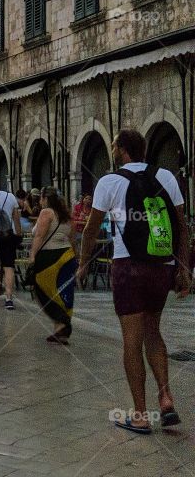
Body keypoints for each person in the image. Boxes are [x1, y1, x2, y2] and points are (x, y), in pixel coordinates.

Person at [77, 128, 191, 434]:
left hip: (129, 267)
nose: (112, 151)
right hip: (162, 265)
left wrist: (83, 262)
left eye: (114, 147)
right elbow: (182, 225)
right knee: (154, 331)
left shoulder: (109, 182)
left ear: (121, 150)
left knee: (132, 340)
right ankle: (165, 397)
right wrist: (184, 268)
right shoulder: (166, 176)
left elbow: (90, 229)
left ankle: (140, 415)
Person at [28, 189, 76, 345]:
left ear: (44, 198)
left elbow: (39, 236)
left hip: (50, 256)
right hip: (68, 255)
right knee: (63, 290)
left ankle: (62, 322)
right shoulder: (66, 214)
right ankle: (60, 330)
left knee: (42, 290)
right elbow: (72, 237)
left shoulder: (46, 212)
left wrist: (32, 255)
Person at [0, 173, 22, 310]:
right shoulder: (11, 196)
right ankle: (8, 299)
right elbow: (16, 217)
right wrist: (18, 235)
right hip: (8, 235)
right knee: (9, 267)